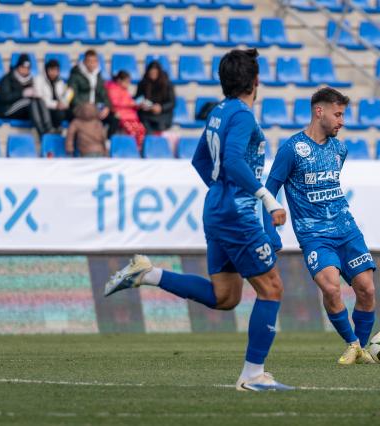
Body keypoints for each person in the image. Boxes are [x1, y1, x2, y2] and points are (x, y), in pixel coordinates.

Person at [103, 48, 293, 392]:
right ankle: (253, 375)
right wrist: (265, 198)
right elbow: (232, 160)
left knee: (226, 296)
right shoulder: (243, 116)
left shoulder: (218, 111)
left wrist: (221, 191)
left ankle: (147, 273)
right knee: (272, 288)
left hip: (217, 208)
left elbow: (200, 160)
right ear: (255, 81)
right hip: (237, 213)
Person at [264, 87, 377, 365]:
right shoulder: (292, 149)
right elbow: (269, 190)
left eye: (343, 115)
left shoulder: (340, 149)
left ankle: (361, 350)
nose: (342, 121)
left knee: (367, 290)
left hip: (346, 229)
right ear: (319, 111)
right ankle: (352, 344)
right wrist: (270, 228)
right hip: (314, 235)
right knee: (331, 288)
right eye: (337, 115)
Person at [0, 54, 53, 137]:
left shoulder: (31, 79)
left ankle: (48, 128)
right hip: (6, 109)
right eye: (22, 67)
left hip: (22, 110)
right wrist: (22, 93)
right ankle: (42, 133)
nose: (25, 70)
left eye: (27, 68)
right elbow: (4, 97)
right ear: (18, 67)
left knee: (39, 100)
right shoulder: (7, 79)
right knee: (29, 101)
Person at [68, 50, 115, 136]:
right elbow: (73, 96)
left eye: (94, 61)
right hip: (80, 108)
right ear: (84, 61)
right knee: (90, 117)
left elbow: (104, 93)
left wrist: (107, 107)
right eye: (89, 61)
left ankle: (107, 140)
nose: (92, 64)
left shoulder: (98, 75)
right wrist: (87, 108)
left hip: (95, 107)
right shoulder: (75, 75)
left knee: (114, 118)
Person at [106, 71, 146, 149]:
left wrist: (137, 105)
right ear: (119, 80)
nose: (128, 84)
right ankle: (131, 148)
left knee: (141, 129)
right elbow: (114, 102)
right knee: (132, 132)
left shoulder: (125, 91)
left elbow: (130, 103)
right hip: (123, 116)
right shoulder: (112, 89)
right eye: (126, 82)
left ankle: (139, 148)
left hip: (131, 116)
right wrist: (131, 103)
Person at [135, 61, 175, 134]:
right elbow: (137, 98)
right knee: (145, 125)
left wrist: (161, 108)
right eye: (151, 73)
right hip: (146, 113)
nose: (153, 75)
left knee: (160, 125)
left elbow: (172, 102)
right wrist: (143, 104)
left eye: (155, 73)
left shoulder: (167, 84)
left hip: (163, 114)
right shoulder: (143, 83)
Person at [34, 59, 71, 131]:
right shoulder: (39, 80)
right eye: (51, 70)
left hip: (59, 107)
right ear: (46, 70)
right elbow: (40, 99)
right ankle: (54, 131)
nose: (53, 73)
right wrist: (56, 105)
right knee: (59, 114)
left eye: (56, 70)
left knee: (73, 112)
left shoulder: (60, 81)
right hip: (47, 108)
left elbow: (65, 95)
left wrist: (64, 103)